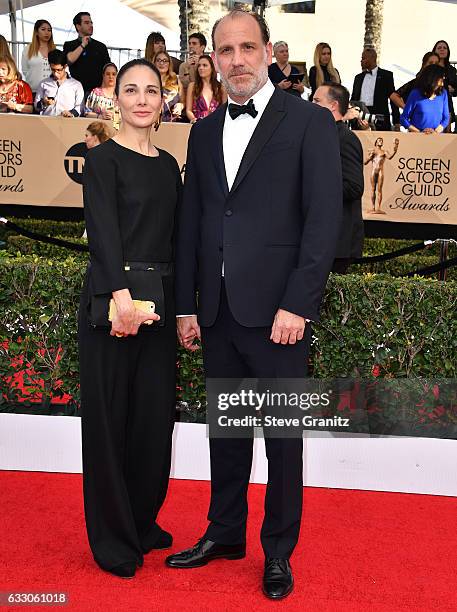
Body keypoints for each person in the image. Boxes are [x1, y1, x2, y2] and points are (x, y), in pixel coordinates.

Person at [166, 8, 342, 601]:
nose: (236, 60)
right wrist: (188, 304)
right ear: (212, 60)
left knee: (282, 440)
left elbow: (322, 223)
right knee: (229, 432)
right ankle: (225, 532)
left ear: (270, 52)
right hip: (217, 311)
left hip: (278, 317)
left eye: (247, 48)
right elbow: (194, 221)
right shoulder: (204, 129)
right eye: (225, 50)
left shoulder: (309, 123)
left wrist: (299, 303)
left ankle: (278, 551)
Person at [79, 58, 181, 579]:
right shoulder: (102, 161)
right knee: (110, 420)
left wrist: (183, 307)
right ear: (114, 99)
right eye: (131, 90)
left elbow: (175, 240)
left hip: (160, 303)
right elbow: (103, 234)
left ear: (163, 100)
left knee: (150, 421)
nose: (142, 99)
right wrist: (121, 299)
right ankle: (113, 537)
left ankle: (142, 520)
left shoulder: (167, 164)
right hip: (116, 303)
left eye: (151, 91)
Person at [313, 83, 364, 273]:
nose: (312, 104)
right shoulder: (323, 135)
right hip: (324, 239)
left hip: (338, 243)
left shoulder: (345, 138)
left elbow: (354, 187)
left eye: (317, 101)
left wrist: (314, 187)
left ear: (333, 105)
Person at [352, 48, 400, 131]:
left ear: (372, 59)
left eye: (364, 58)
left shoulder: (386, 75)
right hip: (361, 116)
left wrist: (397, 121)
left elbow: (393, 98)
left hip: (380, 116)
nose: (361, 61)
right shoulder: (358, 78)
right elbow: (354, 99)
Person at [63, 12, 110, 95]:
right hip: (75, 91)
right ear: (78, 26)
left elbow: (108, 68)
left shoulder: (101, 46)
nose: (91, 25)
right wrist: (83, 45)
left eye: (91, 22)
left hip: (97, 92)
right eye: (86, 23)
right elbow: (69, 60)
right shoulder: (70, 45)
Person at [400, 64, 449, 134]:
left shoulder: (443, 94)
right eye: (441, 80)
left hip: (437, 139)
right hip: (417, 139)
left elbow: (446, 118)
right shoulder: (415, 94)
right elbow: (404, 119)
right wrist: (419, 132)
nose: (442, 84)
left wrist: (435, 132)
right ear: (433, 79)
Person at [35, 49, 84, 117]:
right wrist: (44, 103)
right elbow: (36, 107)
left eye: (59, 70)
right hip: (47, 122)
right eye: (53, 69)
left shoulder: (76, 85)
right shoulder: (43, 84)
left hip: (67, 122)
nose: (56, 73)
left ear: (65, 66)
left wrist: (71, 114)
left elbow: (80, 108)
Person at [364, 137, 399, 214]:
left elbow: (390, 157)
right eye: (379, 140)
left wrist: (395, 150)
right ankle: (373, 207)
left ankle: (378, 208)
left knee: (379, 189)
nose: (381, 142)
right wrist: (370, 157)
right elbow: (365, 162)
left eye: (382, 141)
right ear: (376, 142)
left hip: (380, 171)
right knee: (373, 189)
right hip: (373, 171)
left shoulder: (384, 152)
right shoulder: (372, 151)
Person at [186, 54, 226, 122]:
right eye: (199, 66)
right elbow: (188, 110)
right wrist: (193, 119)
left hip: (216, 124)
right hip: (198, 124)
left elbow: (225, 110)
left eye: (205, 65)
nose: (201, 68)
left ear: (212, 68)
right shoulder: (192, 86)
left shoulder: (220, 87)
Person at [21, 19, 55, 96]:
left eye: (49, 30)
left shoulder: (54, 50)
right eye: (43, 29)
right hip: (33, 90)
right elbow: (25, 70)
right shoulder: (28, 49)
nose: (47, 32)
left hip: (52, 91)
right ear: (36, 32)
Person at [85, 62, 120, 129]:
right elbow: (86, 113)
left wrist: (114, 116)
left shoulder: (121, 96)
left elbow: (127, 116)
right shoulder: (95, 93)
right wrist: (100, 116)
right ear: (103, 75)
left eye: (113, 74)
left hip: (115, 132)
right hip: (97, 131)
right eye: (108, 74)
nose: (111, 77)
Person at [432, 40, 457, 130]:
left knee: (446, 135)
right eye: (439, 48)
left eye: (444, 48)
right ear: (434, 51)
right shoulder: (430, 66)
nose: (442, 50)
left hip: (447, 106)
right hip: (431, 104)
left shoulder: (451, 70)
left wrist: (453, 90)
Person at [154, 51, 183, 122]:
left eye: (165, 61)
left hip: (171, 122)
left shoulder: (176, 79)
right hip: (152, 121)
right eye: (158, 60)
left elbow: (182, 101)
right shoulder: (148, 80)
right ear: (154, 63)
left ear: (169, 64)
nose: (161, 63)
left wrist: (180, 106)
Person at [178, 32, 207, 99]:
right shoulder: (183, 65)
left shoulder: (208, 65)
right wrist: (186, 68)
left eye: (194, 43)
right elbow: (183, 85)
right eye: (189, 43)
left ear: (202, 47)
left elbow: (208, 82)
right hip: (188, 99)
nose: (191, 46)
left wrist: (198, 65)